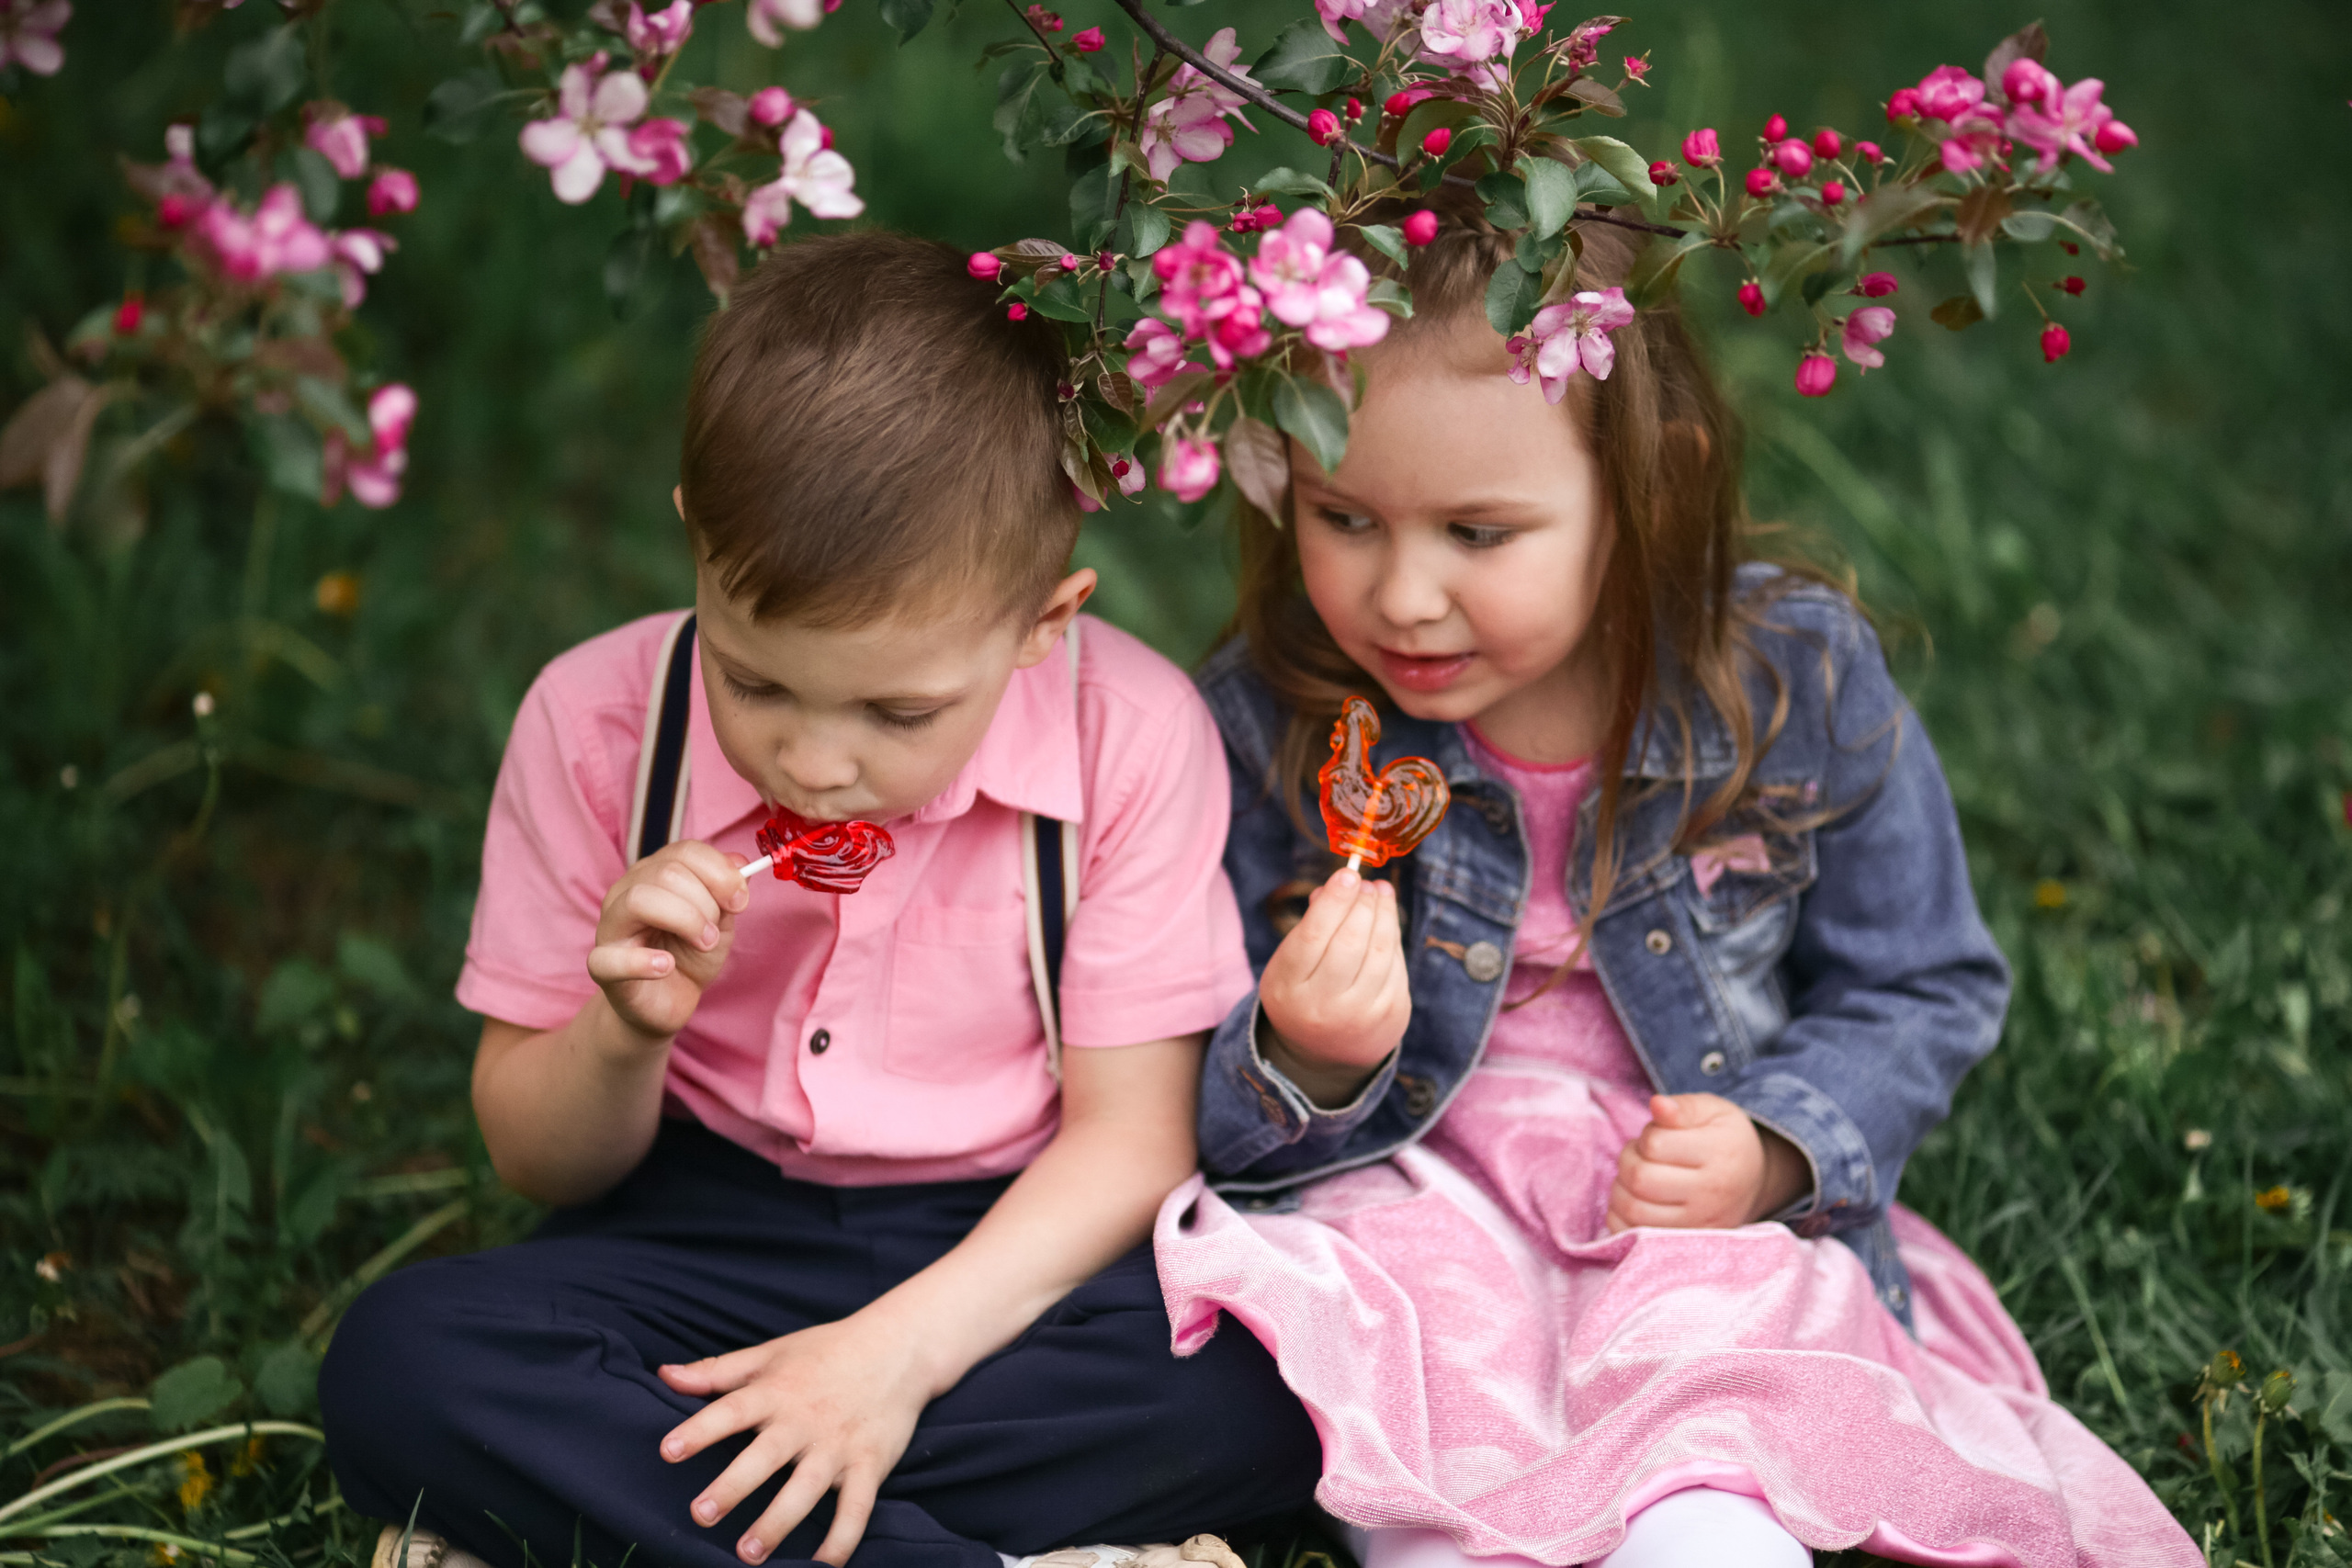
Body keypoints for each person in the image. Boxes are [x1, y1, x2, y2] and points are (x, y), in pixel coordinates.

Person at [1154, 202, 2202, 1568]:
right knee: (1427, 1425)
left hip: (1678, 1192)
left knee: (1716, 1428)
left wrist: (1777, 1147)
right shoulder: (1272, 721)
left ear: (1649, 484)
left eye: (1478, 532)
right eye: (1342, 517)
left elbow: (1924, 978)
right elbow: (1193, 1092)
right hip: (1407, 1189)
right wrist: (1302, 1053)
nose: (1403, 595)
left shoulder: (1788, 680)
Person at [319, 232, 1322, 1568]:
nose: (814, 759)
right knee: (404, 1365)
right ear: (696, 537)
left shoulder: (1127, 734)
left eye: (899, 711)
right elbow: (539, 1163)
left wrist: (888, 1363)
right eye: (758, 682)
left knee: (1268, 1395)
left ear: (1048, 620)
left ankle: (634, 1508)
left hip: (1011, 1244)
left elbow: (1131, 1146)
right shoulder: (598, 727)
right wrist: (621, 1032)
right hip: (701, 1230)